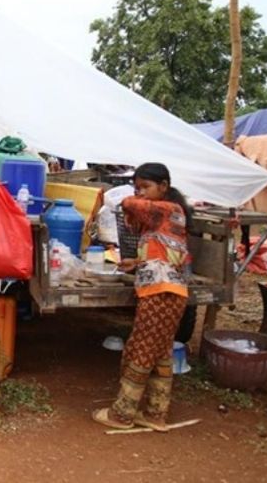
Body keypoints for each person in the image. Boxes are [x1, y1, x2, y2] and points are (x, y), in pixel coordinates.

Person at [93, 163, 191, 432]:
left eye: (146, 187)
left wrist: (130, 197)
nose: (141, 193)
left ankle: (122, 414)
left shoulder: (168, 209)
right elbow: (165, 254)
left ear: (164, 186)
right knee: (160, 353)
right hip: (169, 293)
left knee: (140, 350)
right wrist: (137, 263)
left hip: (162, 293)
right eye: (137, 188)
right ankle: (155, 413)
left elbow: (127, 203)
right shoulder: (165, 216)